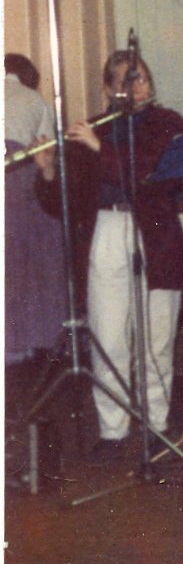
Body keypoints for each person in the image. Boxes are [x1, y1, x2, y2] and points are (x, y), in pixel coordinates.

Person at [36, 52, 183, 464]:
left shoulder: (168, 123)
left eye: (142, 78)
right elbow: (64, 204)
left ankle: (156, 425)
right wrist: (49, 170)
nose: (137, 87)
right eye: (126, 80)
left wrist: (99, 147)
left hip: (155, 235)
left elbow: (148, 174)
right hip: (106, 230)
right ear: (109, 88)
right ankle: (113, 430)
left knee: (156, 338)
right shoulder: (93, 128)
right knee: (108, 336)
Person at [6, 54, 67, 367]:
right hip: (20, 175)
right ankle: (27, 342)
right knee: (30, 262)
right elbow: (47, 147)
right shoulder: (35, 100)